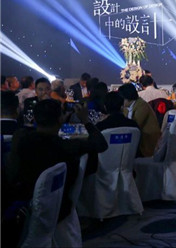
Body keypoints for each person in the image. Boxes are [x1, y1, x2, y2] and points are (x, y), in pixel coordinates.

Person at [6, 99, 108, 242]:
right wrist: (85, 121)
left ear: (34, 118)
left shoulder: (21, 139)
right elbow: (101, 144)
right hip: (59, 205)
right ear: (60, 118)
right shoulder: (69, 144)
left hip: (24, 206)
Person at [117, 83, 160, 157]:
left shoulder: (142, 105)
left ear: (126, 97)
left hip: (146, 143)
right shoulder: (128, 107)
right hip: (138, 140)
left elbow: (134, 126)